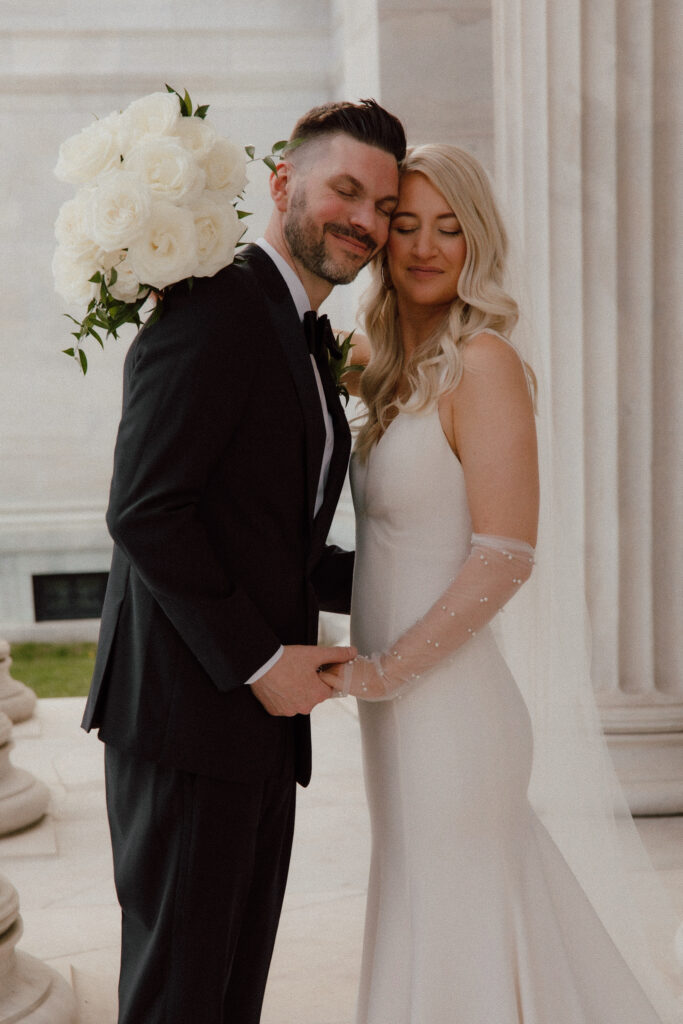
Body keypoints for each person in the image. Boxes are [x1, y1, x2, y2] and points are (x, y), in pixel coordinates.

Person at [322, 144, 681, 1022]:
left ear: (477, 240)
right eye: (404, 224)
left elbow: (504, 555)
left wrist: (382, 670)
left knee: (462, 909)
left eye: (449, 228)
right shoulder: (373, 358)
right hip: (393, 709)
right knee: (423, 900)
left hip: (449, 707)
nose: (424, 246)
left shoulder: (481, 362)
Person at [81, 99, 406, 1024]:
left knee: (227, 994)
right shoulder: (213, 307)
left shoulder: (300, 332)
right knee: (181, 996)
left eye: (381, 205)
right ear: (282, 185)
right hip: (189, 716)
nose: (365, 221)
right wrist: (261, 665)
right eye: (346, 190)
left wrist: (423, 574)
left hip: (252, 724)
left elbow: (278, 536)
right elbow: (146, 511)